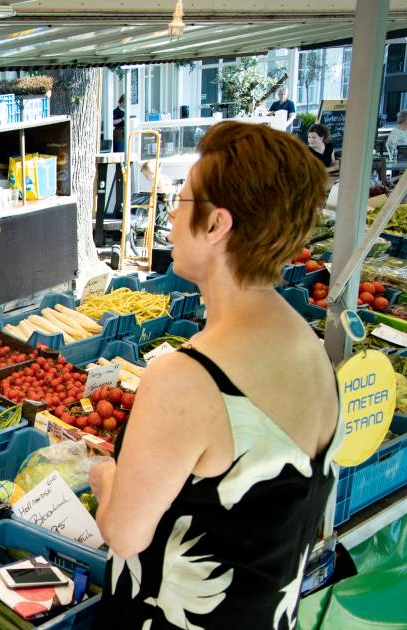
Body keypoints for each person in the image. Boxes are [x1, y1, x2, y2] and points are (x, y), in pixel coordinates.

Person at [89, 121, 338, 628]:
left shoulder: (189, 377)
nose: (172, 218)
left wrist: (105, 478)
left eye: (181, 202)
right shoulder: (311, 350)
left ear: (216, 224)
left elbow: (125, 534)